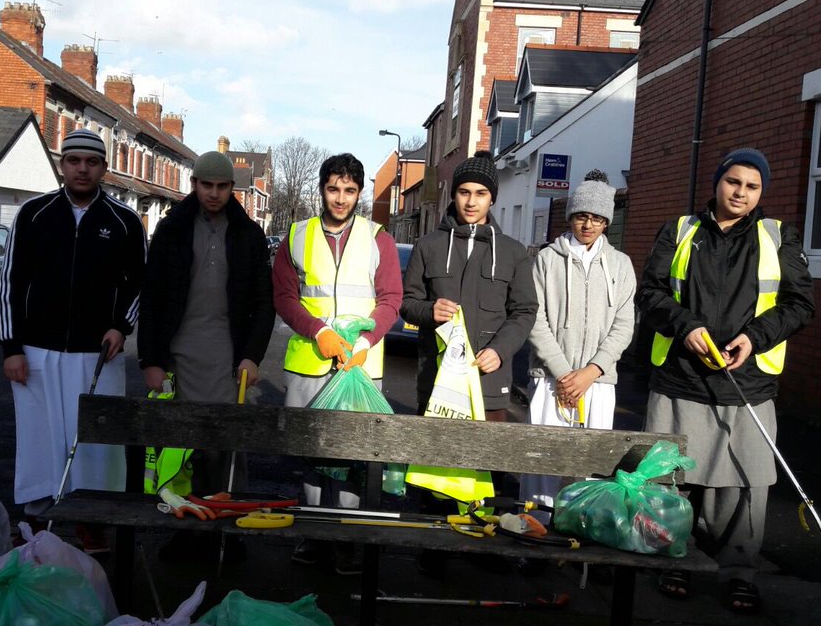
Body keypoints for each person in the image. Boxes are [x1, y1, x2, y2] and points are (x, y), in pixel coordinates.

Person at [637, 148, 814, 612]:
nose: (741, 193)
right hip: (681, 379)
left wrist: (754, 338)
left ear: (761, 192)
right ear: (717, 183)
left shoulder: (779, 237)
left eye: (752, 186)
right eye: (733, 182)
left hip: (748, 384)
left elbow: (799, 304)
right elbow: (650, 293)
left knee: (745, 482)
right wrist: (685, 326)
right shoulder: (679, 231)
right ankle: (673, 557)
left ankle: (739, 573)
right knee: (672, 479)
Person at [0, 128, 148, 540]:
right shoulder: (33, 214)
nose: (83, 169)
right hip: (36, 349)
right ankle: (37, 518)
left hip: (97, 352)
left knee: (98, 440)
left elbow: (140, 282)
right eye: (74, 161)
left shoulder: (124, 220)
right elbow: (10, 282)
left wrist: (121, 326)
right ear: (61, 164)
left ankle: (93, 520)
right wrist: (11, 348)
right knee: (39, 435)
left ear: (104, 168)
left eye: (92, 162)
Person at [400, 151, 537, 576]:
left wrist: (502, 349)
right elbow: (407, 303)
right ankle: (435, 546)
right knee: (436, 464)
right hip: (437, 381)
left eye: (480, 193)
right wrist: (428, 311)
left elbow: (525, 311)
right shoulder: (428, 246)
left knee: (485, 467)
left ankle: (483, 544)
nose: (471, 201)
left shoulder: (513, 252)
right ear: (453, 195)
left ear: (492, 198)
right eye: (464, 192)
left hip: (488, 381)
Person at [271, 152, 403, 574]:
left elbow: (391, 299)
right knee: (310, 454)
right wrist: (318, 331)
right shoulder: (297, 236)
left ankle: (345, 539)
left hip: (358, 365)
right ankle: (312, 534)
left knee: (352, 454)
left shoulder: (378, 238)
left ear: (359, 193)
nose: (341, 198)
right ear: (321, 190)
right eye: (333, 189)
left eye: (349, 190)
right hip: (311, 361)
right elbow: (284, 297)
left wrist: (365, 341)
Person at [138, 149, 275, 520]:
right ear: (194, 184)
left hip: (228, 359)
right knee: (179, 446)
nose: (214, 193)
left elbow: (265, 302)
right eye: (207, 185)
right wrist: (151, 360)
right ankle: (184, 528)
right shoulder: (171, 230)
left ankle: (227, 527)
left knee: (224, 445)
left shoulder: (249, 234)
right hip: (178, 357)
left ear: (232, 188)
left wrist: (252, 355)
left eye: (222, 186)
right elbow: (151, 298)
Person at [523, 170, 636, 519]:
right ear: (571, 216)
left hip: (597, 382)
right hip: (550, 378)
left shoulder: (620, 264)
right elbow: (535, 319)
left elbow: (624, 325)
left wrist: (590, 372)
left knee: (593, 465)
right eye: (582, 216)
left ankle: (587, 527)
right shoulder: (546, 260)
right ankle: (535, 524)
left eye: (597, 218)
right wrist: (563, 373)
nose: (588, 225)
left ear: (607, 222)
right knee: (542, 461)